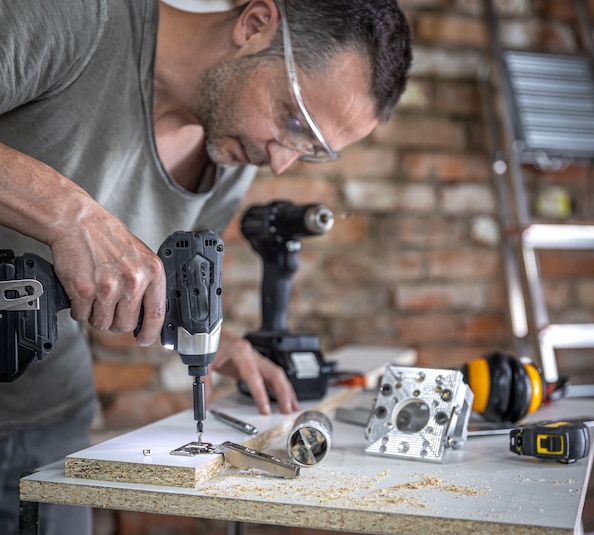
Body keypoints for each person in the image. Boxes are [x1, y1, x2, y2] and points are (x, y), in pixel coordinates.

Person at [0, 0, 412, 533]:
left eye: (309, 150)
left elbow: (124, 280)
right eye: (292, 118)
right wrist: (67, 214)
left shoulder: (230, 161)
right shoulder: (79, 18)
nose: (281, 161)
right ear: (255, 24)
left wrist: (214, 335)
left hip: (42, 418)